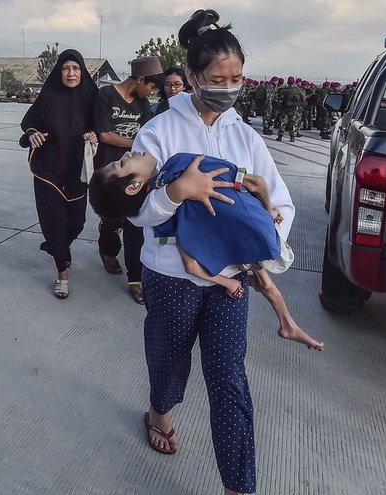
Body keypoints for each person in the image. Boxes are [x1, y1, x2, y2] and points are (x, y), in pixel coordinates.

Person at [127, 9, 295, 494]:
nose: (229, 87)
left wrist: (269, 226)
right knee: (169, 363)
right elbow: (136, 214)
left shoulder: (245, 136)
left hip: (230, 282)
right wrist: (177, 191)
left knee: (229, 382)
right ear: (194, 77)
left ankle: (239, 486)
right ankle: (159, 410)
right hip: (169, 276)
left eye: (237, 78)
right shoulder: (158, 132)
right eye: (218, 78)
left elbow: (279, 200)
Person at [89, 151, 323, 353]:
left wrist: (225, 282)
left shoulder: (160, 208)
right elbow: (257, 182)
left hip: (223, 249)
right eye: (121, 163)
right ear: (133, 186)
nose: (129, 153)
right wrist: (268, 209)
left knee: (262, 278)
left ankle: (287, 324)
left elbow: (189, 261)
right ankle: (287, 323)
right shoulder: (180, 165)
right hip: (240, 237)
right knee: (264, 278)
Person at [19, 49, 98, 299]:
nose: (71, 73)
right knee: (54, 221)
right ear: (59, 71)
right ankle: (62, 272)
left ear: (83, 71)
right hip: (48, 168)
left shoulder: (92, 97)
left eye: (76, 68)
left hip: (78, 170)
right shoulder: (48, 96)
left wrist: (95, 135)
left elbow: (102, 126)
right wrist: (32, 133)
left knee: (77, 222)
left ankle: (59, 247)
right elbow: (29, 124)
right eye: (66, 68)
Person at [93, 56, 162, 304]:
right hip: (112, 167)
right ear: (140, 79)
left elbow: (146, 133)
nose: (151, 92)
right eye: (151, 87)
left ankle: (135, 277)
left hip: (136, 171)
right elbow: (105, 135)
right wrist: (136, 145)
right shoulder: (107, 95)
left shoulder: (143, 104)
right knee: (112, 219)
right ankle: (108, 249)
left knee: (134, 222)